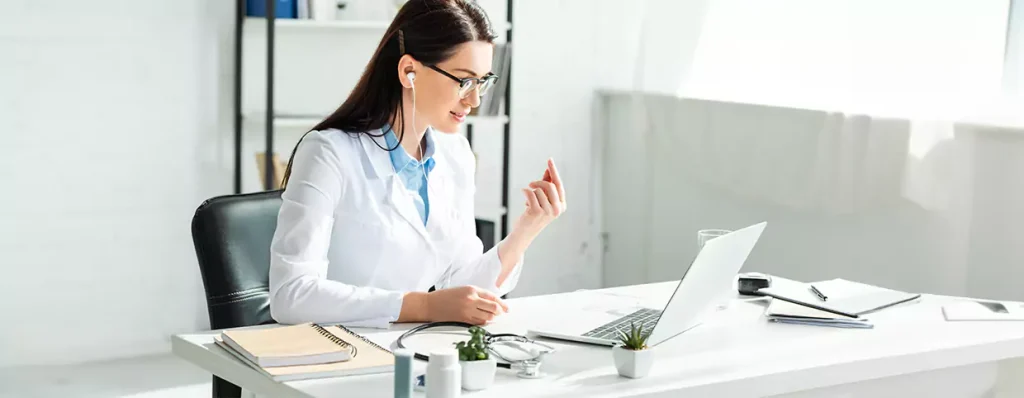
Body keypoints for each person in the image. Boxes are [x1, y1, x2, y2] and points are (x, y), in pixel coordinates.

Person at [268, 0, 565, 328]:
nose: (475, 100)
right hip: (340, 351)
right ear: (409, 71)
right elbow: (291, 295)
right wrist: (423, 306)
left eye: (482, 81)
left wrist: (528, 228)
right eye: (464, 81)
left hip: (416, 348)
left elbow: (461, 287)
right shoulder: (328, 153)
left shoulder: (456, 154)